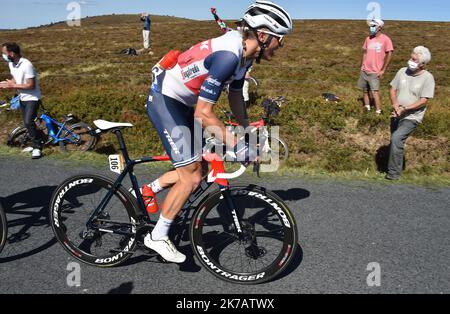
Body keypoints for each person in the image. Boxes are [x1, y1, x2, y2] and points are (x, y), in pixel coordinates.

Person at [142, 1, 293, 263]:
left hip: (182, 103)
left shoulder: (244, 56)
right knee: (191, 176)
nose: (282, 46)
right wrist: (238, 147)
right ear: (264, 34)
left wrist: (246, 131)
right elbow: (203, 113)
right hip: (166, 100)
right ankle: (157, 235)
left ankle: (149, 189)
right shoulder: (229, 55)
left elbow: (235, 95)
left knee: (199, 165)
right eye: (280, 39)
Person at [386, 46, 435, 180]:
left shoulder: (428, 78)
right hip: (397, 112)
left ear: (423, 64)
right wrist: (395, 105)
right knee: (395, 141)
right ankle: (395, 168)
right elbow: (392, 89)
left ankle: (393, 174)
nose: (411, 61)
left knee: (397, 138)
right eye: (411, 58)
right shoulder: (402, 71)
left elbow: (424, 100)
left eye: (415, 60)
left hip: (412, 116)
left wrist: (405, 108)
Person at [0, 42, 43, 159]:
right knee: (27, 123)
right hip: (22, 97)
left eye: (4, 53)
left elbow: (31, 85)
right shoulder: (12, 64)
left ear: (12, 53)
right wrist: (6, 83)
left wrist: (11, 86)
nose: (2, 55)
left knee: (29, 122)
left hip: (32, 98)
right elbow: (15, 79)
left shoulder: (27, 65)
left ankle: (37, 148)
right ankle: (34, 143)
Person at [358, 19, 394, 115]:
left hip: (375, 71)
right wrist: (362, 65)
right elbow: (365, 52)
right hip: (365, 70)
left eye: (374, 26)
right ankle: (367, 109)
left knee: (375, 92)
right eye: (371, 26)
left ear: (380, 27)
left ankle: (378, 112)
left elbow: (390, 53)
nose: (371, 27)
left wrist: (383, 70)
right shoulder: (368, 39)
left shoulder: (386, 39)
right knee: (365, 91)